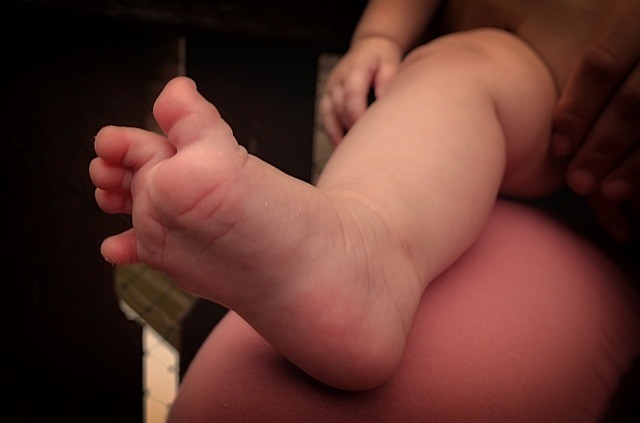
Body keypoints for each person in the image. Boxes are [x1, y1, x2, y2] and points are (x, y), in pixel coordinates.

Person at [89, 0, 639, 420]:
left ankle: (366, 250)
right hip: (540, 116)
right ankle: (367, 247)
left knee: (466, 65)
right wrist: (381, 35)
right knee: (464, 67)